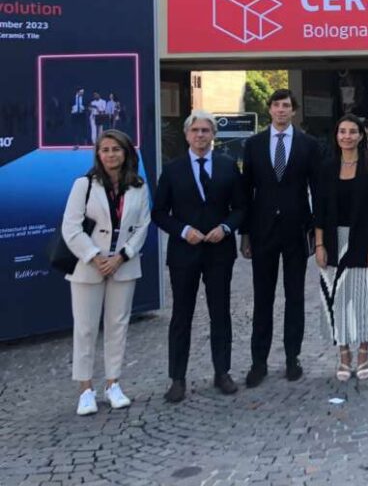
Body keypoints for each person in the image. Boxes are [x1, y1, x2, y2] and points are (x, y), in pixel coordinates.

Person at [152, 111, 246, 403]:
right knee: (182, 316)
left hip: (219, 252)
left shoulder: (228, 166)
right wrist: (182, 231)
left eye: (206, 130)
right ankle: (177, 378)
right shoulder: (172, 170)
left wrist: (226, 228)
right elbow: (159, 212)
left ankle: (222, 372)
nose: (200, 135)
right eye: (195, 130)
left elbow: (241, 208)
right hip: (184, 253)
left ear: (213, 135)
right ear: (186, 135)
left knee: (221, 313)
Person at [60, 129, 151, 416]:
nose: (111, 154)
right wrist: (95, 256)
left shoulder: (138, 186)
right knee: (85, 328)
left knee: (117, 326)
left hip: (123, 265)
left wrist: (122, 256)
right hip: (88, 266)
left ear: (126, 153)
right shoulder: (84, 184)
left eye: (116, 149)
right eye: (105, 150)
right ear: (98, 154)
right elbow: (70, 227)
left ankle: (113, 384)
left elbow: (143, 226)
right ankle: (85, 389)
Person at [240, 89, 321, 387]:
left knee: (294, 297)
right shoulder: (254, 144)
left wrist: (317, 231)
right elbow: (245, 191)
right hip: (262, 231)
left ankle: (292, 358)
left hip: (296, 230)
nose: (281, 110)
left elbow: (317, 189)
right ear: (270, 109)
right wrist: (244, 233)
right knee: (263, 298)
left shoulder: (308, 145)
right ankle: (258, 361)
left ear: (293, 111)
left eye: (286, 105)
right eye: (276, 105)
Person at [314, 114, 368, 381]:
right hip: (333, 241)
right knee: (336, 300)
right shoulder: (326, 167)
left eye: (352, 131)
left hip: (363, 240)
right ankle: (344, 354)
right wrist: (319, 244)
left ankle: (364, 353)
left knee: (365, 299)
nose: (347, 136)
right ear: (336, 136)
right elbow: (319, 210)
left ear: (360, 135)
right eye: (342, 131)